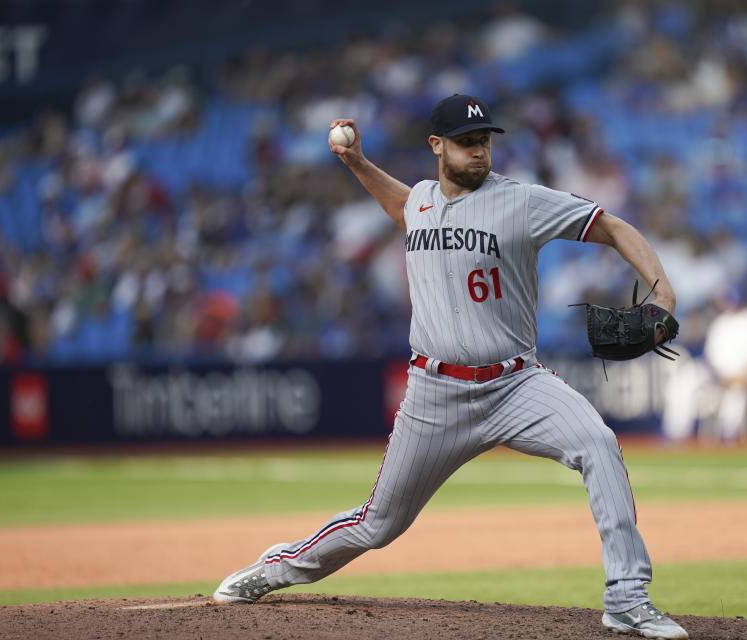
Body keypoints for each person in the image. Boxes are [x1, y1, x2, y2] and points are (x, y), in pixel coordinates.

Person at [213, 94, 688, 639]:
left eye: (484, 140)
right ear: (437, 146)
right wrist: (358, 163)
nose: (479, 150)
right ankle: (275, 568)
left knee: (598, 445)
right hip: (435, 394)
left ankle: (627, 597)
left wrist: (663, 291)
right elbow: (403, 208)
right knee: (377, 526)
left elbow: (612, 227)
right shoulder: (420, 201)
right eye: (467, 142)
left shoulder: (522, 201)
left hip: (516, 384)